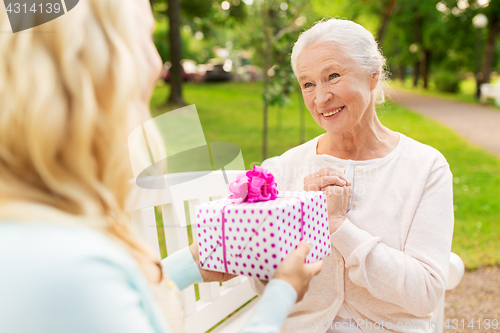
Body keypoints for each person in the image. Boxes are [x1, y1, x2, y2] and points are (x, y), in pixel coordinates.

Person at [0, 1, 322, 332]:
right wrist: (281, 293)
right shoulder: (70, 269)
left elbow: (115, 303)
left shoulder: (40, 235)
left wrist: (193, 264)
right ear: (97, 67)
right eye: (145, 36)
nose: (156, 63)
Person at [250, 19, 454, 333]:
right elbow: (265, 287)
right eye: (308, 84)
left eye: (332, 76)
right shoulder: (282, 169)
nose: (320, 99)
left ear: (373, 77)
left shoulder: (425, 167)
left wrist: (337, 226)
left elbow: (424, 294)